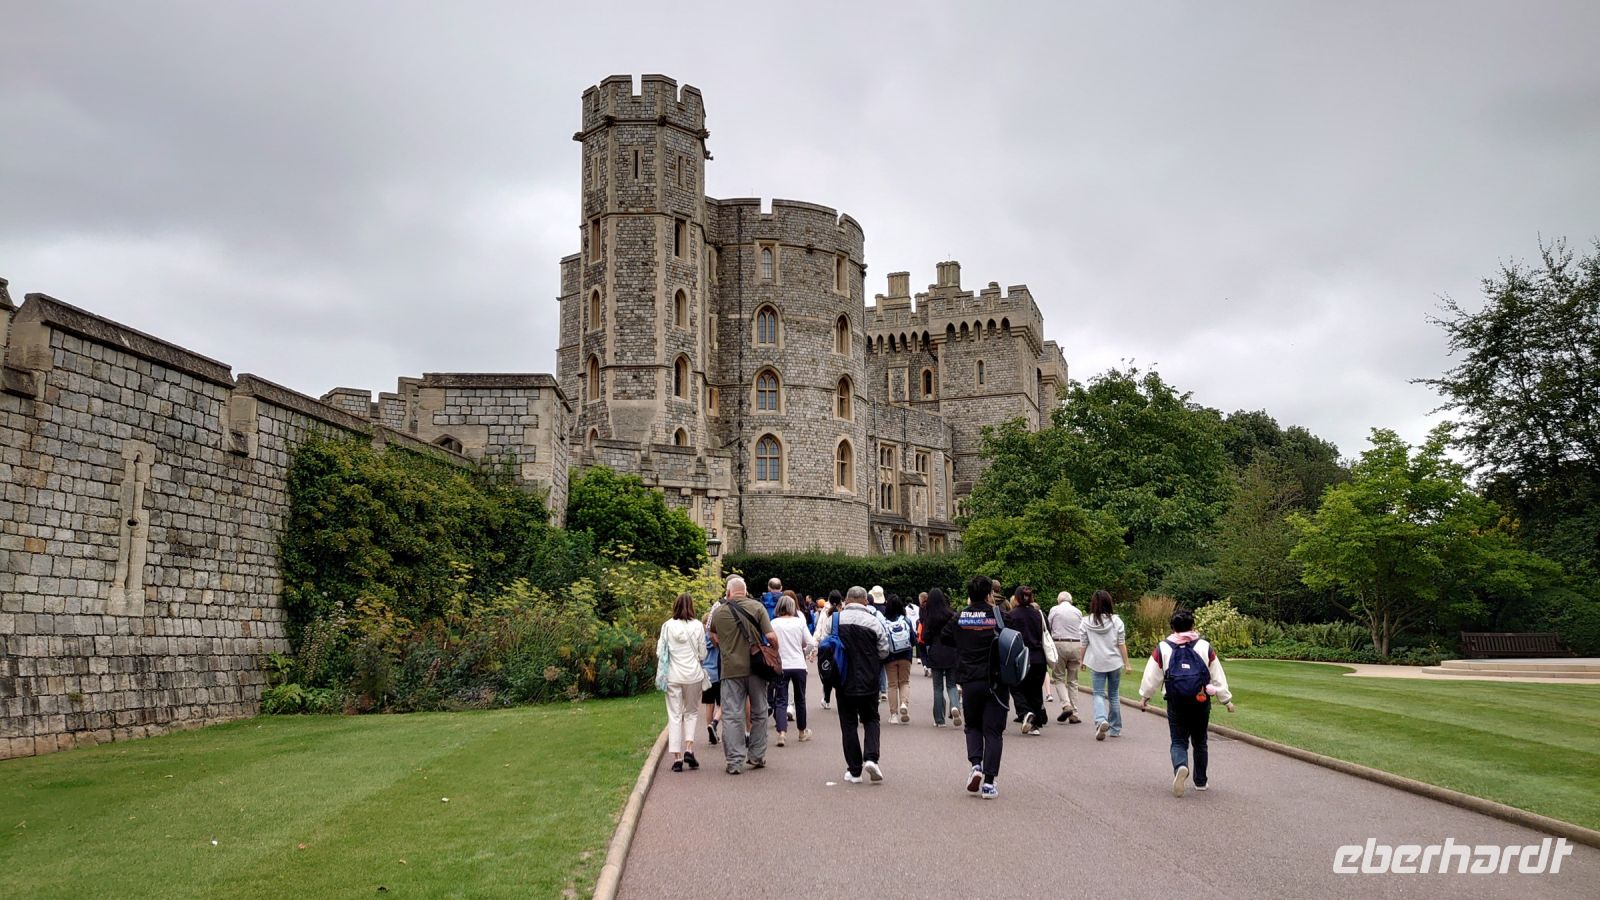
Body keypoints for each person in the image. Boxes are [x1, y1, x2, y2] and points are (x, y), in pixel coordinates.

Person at [1140, 607, 1235, 796]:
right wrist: (1226, 700)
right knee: (1200, 741)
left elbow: (1152, 676)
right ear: (1193, 625)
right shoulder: (1204, 647)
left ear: (1173, 627)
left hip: (1175, 700)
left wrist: (1145, 696)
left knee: (1178, 740)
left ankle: (1181, 766)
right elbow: (1217, 676)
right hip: (1200, 699)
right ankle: (1200, 781)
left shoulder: (1164, 647)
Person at [708, 575, 778, 775]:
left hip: (730, 669)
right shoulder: (757, 608)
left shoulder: (719, 612)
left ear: (728, 593)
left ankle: (734, 761)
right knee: (759, 712)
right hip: (756, 667)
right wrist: (774, 651)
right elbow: (771, 636)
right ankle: (756, 755)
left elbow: (712, 634)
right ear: (745, 591)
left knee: (731, 715)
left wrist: (723, 646)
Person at [944, 574, 1006, 799]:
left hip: (970, 680)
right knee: (993, 731)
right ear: (990, 594)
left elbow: (945, 637)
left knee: (973, 726)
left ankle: (976, 765)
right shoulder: (999, 616)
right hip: (996, 681)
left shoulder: (960, 617)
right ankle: (989, 783)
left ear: (969, 595)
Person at [833, 585, 890, 784]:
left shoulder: (836, 620)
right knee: (871, 719)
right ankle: (872, 757)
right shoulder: (873, 622)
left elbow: (827, 645)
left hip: (843, 679)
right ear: (866, 601)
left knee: (848, 723)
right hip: (869, 678)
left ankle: (854, 769)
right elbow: (884, 650)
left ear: (846, 600)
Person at [657, 593, 709, 772]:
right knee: (691, 712)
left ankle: (677, 757)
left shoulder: (667, 626)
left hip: (673, 675)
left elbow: (660, 652)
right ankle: (689, 747)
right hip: (693, 675)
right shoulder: (697, 626)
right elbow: (703, 653)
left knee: (674, 714)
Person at [1081, 589, 1131, 741]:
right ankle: (1115, 728)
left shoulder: (1086, 621)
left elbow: (1084, 643)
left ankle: (1101, 719)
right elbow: (1121, 644)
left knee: (1098, 693)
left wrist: (1081, 660)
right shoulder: (1117, 621)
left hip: (1096, 662)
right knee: (1114, 695)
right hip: (1114, 662)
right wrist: (1127, 663)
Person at [771, 594, 817, 746]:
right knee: (800, 699)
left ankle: (781, 733)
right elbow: (811, 643)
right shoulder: (799, 622)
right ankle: (802, 731)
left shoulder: (774, 623)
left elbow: (770, 641)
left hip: (781, 664)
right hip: (798, 664)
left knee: (781, 700)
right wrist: (803, 651)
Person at [1004, 585, 1048, 735]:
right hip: (1039, 657)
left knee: (1016, 687)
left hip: (1021, 656)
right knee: (1035, 690)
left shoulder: (1011, 615)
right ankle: (1035, 725)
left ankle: (1025, 712)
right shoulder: (1038, 614)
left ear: (1016, 598)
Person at [920, 588, 961, 727]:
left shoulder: (929, 616)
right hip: (951, 652)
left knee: (937, 688)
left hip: (936, 653)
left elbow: (925, 637)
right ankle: (955, 706)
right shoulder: (951, 614)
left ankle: (939, 719)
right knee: (951, 684)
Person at [1046, 591, 1085, 724]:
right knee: (1073, 680)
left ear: (1059, 600)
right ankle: (1074, 713)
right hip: (1076, 644)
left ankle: (1066, 705)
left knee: (1058, 677)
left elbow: (1048, 626)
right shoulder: (1078, 612)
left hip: (1060, 643)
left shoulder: (1054, 610)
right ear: (1070, 600)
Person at [883, 595, 915, 724]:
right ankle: (904, 704)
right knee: (904, 682)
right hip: (905, 655)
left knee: (892, 685)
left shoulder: (884, 621)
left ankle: (894, 715)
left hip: (890, 656)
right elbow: (913, 639)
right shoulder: (905, 620)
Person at [814, 591, 844, 709]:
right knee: (839, 671)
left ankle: (826, 699)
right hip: (839, 647)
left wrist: (815, 646)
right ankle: (840, 699)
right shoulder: (843, 612)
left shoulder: (824, 612)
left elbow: (819, 629)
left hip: (825, 647)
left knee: (826, 671)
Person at [701, 598, 723, 745]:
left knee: (709, 704)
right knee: (722, 704)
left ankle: (710, 730)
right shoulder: (718, 638)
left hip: (706, 673)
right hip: (719, 673)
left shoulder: (702, 639)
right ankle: (714, 723)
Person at [907, 593, 925, 675]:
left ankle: (910, 658)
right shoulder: (917, 608)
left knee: (910, 644)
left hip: (911, 627)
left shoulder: (905, 609)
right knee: (918, 643)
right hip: (918, 626)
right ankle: (918, 658)